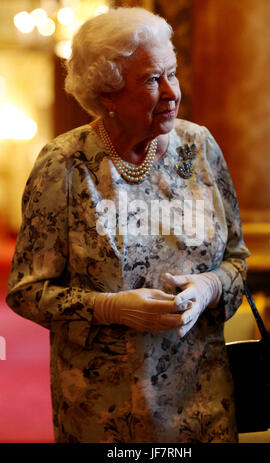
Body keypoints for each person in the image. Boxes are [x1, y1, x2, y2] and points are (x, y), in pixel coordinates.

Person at [6, 7, 250, 443]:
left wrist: (210, 288)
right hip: (107, 410)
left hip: (204, 395)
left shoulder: (200, 146)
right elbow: (27, 291)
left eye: (172, 73)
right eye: (152, 79)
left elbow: (236, 259)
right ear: (107, 95)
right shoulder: (65, 164)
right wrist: (112, 308)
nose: (172, 91)